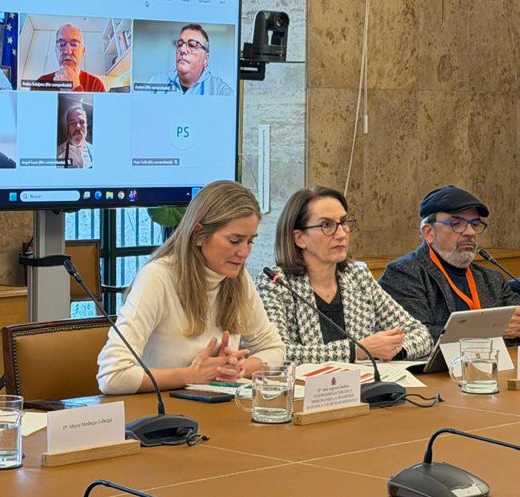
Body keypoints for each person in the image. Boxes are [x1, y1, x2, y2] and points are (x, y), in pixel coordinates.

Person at [97, 180, 285, 395]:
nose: (244, 253)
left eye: (250, 241)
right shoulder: (158, 276)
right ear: (199, 234)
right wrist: (191, 375)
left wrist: (237, 368)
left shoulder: (237, 278)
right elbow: (112, 376)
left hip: (216, 408)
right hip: (163, 416)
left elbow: (275, 350)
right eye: (235, 241)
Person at [257, 186, 433, 364]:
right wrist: (358, 350)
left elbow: (421, 334)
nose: (341, 234)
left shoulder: (358, 276)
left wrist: (392, 351)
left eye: (343, 223)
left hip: (364, 386)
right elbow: (277, 353)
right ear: (299, 238)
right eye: (327, 225)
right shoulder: (275, 283)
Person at [379, 186, 520, 341]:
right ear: (428, 232)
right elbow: (413, 336)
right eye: (457, 223)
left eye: (475, 224)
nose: (470, 232)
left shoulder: (492, 279)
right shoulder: (403, 273)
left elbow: (519, 329)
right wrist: (491, 329)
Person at [140, 23, 233, 96]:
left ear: (205, 58)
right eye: (180, 44)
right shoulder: (156, 83)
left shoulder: (220, 91)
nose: (182, 50)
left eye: (192, 45)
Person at [34, 24, 106, 91]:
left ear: (83, 52)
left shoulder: (96, 85)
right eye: (62, 45)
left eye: (74, 45)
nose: (67, 51)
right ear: (56, 50)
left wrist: (75, 89)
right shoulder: (40, 83)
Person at [57, 103, 93, 169]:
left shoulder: (95, 151)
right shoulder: (57, 153)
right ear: (67, 127)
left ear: (86, 126)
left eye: (81, 122)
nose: (78, 126)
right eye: (73, 122)